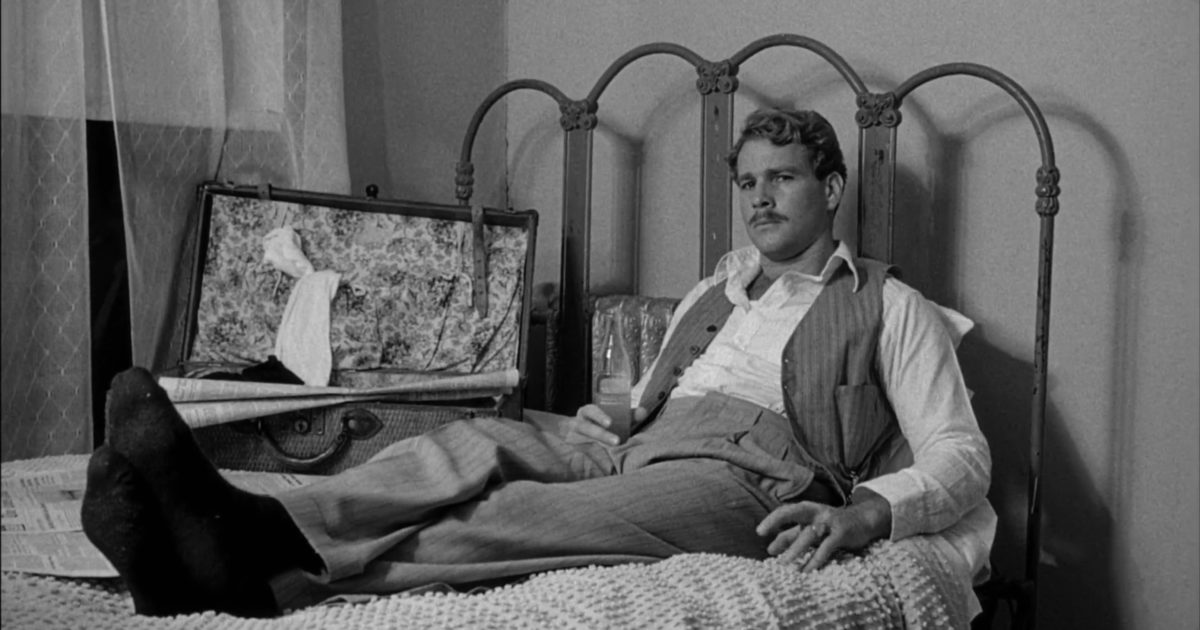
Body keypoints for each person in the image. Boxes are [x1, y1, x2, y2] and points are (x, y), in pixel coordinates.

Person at [82, 107, 992, 618]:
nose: (758, 198)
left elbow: (961, 454)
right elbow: (648, 390)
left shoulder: (890, 306)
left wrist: (869, 513)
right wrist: (620, 411)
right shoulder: (715, 290)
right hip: (640, 443)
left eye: (781, 178)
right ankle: (250, 525)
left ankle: (259, 584)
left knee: (518, 515)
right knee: (466, 443)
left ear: (830, 188)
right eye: (746, 181)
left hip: (748, 477)